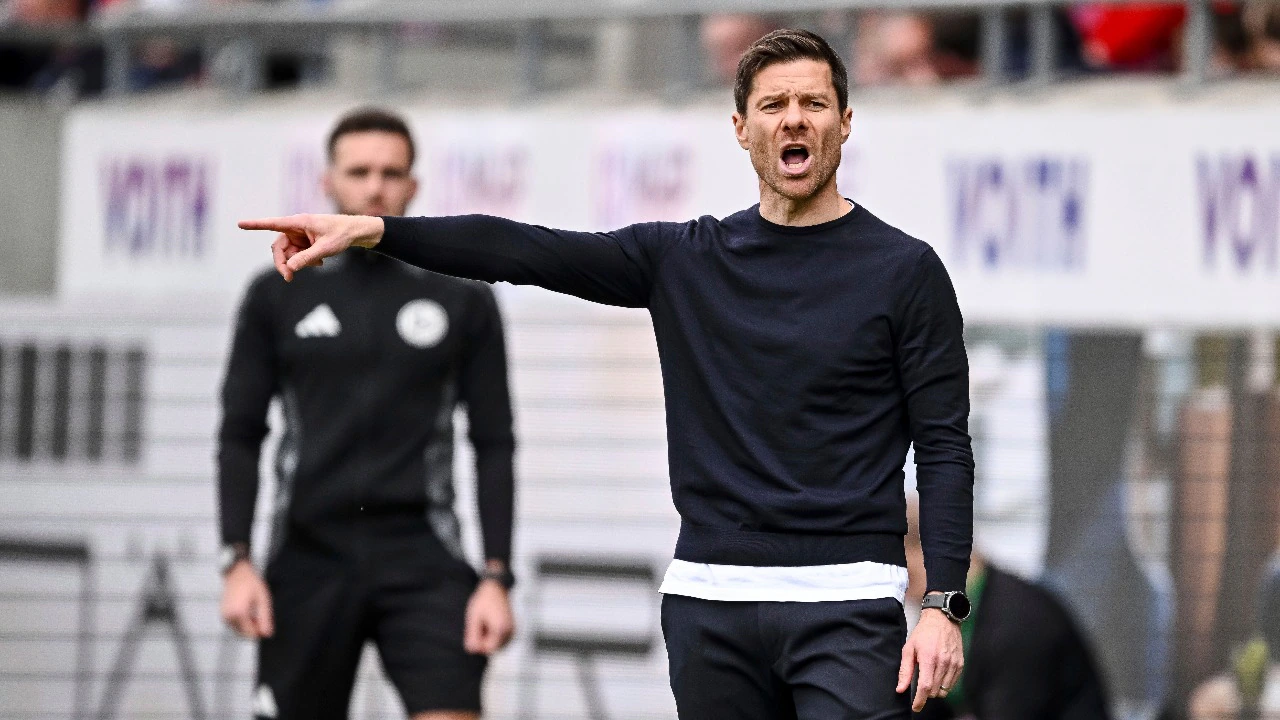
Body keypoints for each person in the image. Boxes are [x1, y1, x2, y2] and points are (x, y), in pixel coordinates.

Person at [242, 30, 973, 720]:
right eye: (773, 105)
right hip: (708, 603)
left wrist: (941, 603)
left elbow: (943, 446)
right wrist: (374, 230)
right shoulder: (685, 259)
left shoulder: (903, 272)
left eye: (813, 104)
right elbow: (521, 250)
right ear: (740, 128)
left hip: (846, 603)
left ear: (844, 123)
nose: (794, 121)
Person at [217, 108, 517, 720]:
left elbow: (494, 442)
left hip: (422, 554)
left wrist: (496, 578)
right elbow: (240, 434)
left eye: (391, 172)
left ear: (414, 185)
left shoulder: (460, 294)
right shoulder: (278, 290)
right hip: (308, 553)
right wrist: (237, 561)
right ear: (327, 181)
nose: (374, 186)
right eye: (359, 171)